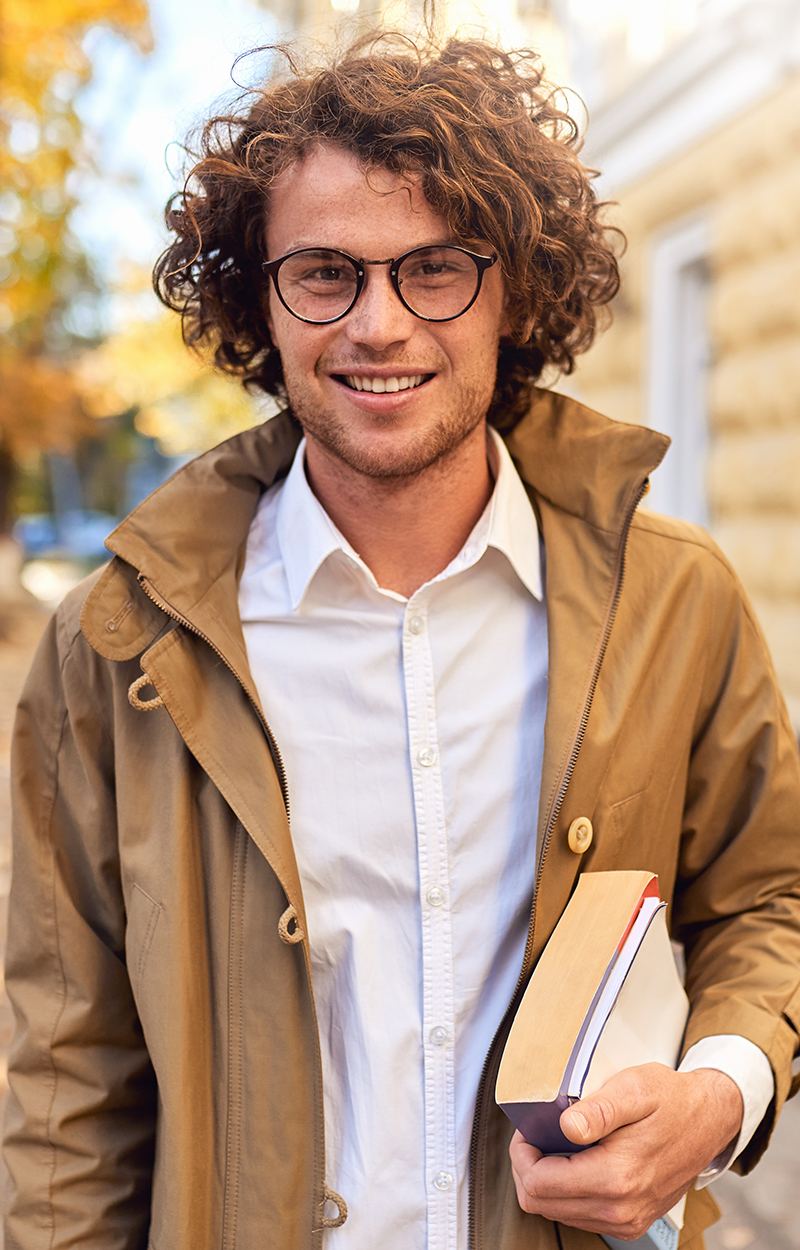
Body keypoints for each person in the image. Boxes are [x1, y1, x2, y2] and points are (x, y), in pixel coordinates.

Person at [4, 32, 800, 1250]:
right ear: (255, 298)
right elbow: (64, 1078)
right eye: (323, 272)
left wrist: (719, 1092)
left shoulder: (671, 595)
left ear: (512, 289)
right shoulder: (119, 647)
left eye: (434, 268)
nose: (377, 322)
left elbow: (770, 898)